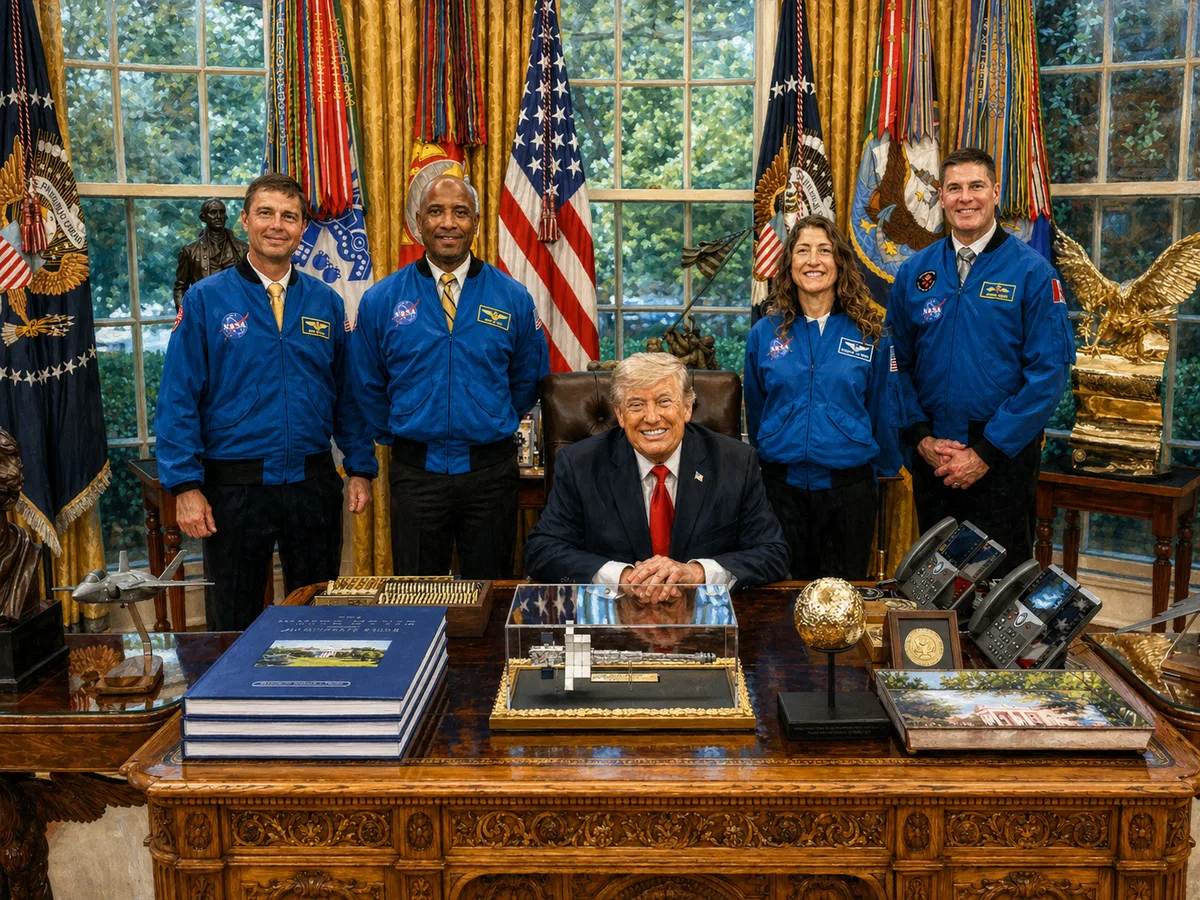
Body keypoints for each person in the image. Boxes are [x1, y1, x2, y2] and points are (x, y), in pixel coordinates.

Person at [155, 173, 377, 631]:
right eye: (266, 213)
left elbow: (348, 395)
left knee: (316, 619)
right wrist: (184, 486)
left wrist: (359, 466)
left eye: (289, 216)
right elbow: (178, 398)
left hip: (311, 485)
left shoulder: (327, 303)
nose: (277, 225)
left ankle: (313, 702)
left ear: (301, 228)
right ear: (245, 220)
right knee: (234, 622)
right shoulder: (204, 300)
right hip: (234, 489)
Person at [886, 148, 1075, 572]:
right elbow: (895, 362)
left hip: (1001, 460)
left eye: (975, 186)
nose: (965, 197)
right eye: (954, 188)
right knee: (934, 586)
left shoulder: (1032, 272)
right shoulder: (915, 272)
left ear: (994, 192)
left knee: (999, 596)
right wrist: (920, 436)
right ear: (940, 195)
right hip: (934, 455)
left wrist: (987, 451)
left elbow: (1048, 374)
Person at [352, 174, 548, 579]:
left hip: (490, 472)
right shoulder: (381, 299)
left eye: (460, 212)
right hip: (416, 472)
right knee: (418, 598)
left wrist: (485, 414)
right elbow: (367, 382)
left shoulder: (512, 297)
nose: (448, 222)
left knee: (490, 594)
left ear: (476, 222)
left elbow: (528, 377)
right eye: (436, 212)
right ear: (418, 222)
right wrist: (400, 428)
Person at [523, 352, 790, 590]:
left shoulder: (735, 462)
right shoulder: (581, 464)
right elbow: (542, 550)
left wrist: (695, 572)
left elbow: (773, 552)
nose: (651, 417)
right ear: (619, 414)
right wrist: (622, 577)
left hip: (709, 623)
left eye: (664, 402)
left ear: (686, 408)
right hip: (614, 624)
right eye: (636, 405)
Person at [744, 215, 902, 580]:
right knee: (781, 603)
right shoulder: (764, 334)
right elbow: (756, 410)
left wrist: (876, 471)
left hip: (849, 492)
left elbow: (883, 410)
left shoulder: (870, 335)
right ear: (789, 264)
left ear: (840, 263)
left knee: (841, 606)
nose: (813, 260)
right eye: (802, 251)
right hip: (779, 491)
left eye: (824, 251)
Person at [173, 199, 249, 309]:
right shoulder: (190, 250)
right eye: (213, 212)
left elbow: (252, 287)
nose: (218, 216)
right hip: (204, 312)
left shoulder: (243, 249)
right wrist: (186, 318)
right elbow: (180, 288)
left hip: (235, 314)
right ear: (203, 217)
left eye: (222, 212)